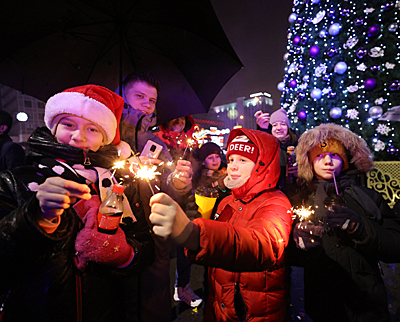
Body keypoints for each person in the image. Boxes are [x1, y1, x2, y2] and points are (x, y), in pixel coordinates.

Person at [0, 85, 155, 321]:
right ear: (53, 128)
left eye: (92, 129)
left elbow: (144, 245)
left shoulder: (115, 185)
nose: (79, 136)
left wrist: (124, 254)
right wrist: (36, 217)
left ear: (104, 138)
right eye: (68, 124)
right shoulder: (16, 180)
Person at [149, 128, 293, 321]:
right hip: (219, 307)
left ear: (262, 165)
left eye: (243, 160)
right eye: (232, 159)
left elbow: (263, 245)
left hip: (254, 313)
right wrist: (194, 215)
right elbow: (213, 247)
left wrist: (194, 234)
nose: (232, 166)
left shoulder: (275, 202)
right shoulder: (227, 201)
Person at [289, 123, 400, 322]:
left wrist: (360, 228)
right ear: (309, 162)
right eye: (319, 156)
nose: (328, 161)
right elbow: (287, 256)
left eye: (335, 155)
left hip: (366, 303)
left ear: (346, 161)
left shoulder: (368, 198)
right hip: (323, 304)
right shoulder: (299, 201)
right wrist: (299, 244)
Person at [119, 70, 193, 321]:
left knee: (153, 303)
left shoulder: (156, 143)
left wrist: (180, 183)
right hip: (116, 235)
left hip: (153, 239)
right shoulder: (105, 137)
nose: (146, 104)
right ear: (123, 97)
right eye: (139, 96)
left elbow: (171, 191)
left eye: (151, 100)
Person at [154, 115, 203, 307]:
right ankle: (162, 294)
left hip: (187, 203)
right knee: (163, 253)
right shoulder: (158, 143)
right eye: (174, 120)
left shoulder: (189, 145)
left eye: (182, 120)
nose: (179, 123)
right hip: (164, 201)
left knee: (185, 250)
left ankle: (183, 288)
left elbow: (197, 171)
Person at [254, 108, 299, 196]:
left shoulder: (298, 145)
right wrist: (262, 129)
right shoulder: (267, 145)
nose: (279, 128)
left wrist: (300, 173)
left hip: (294, 194)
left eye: (283, 124)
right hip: (271, 195)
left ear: (288, 127)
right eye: (274, 125)